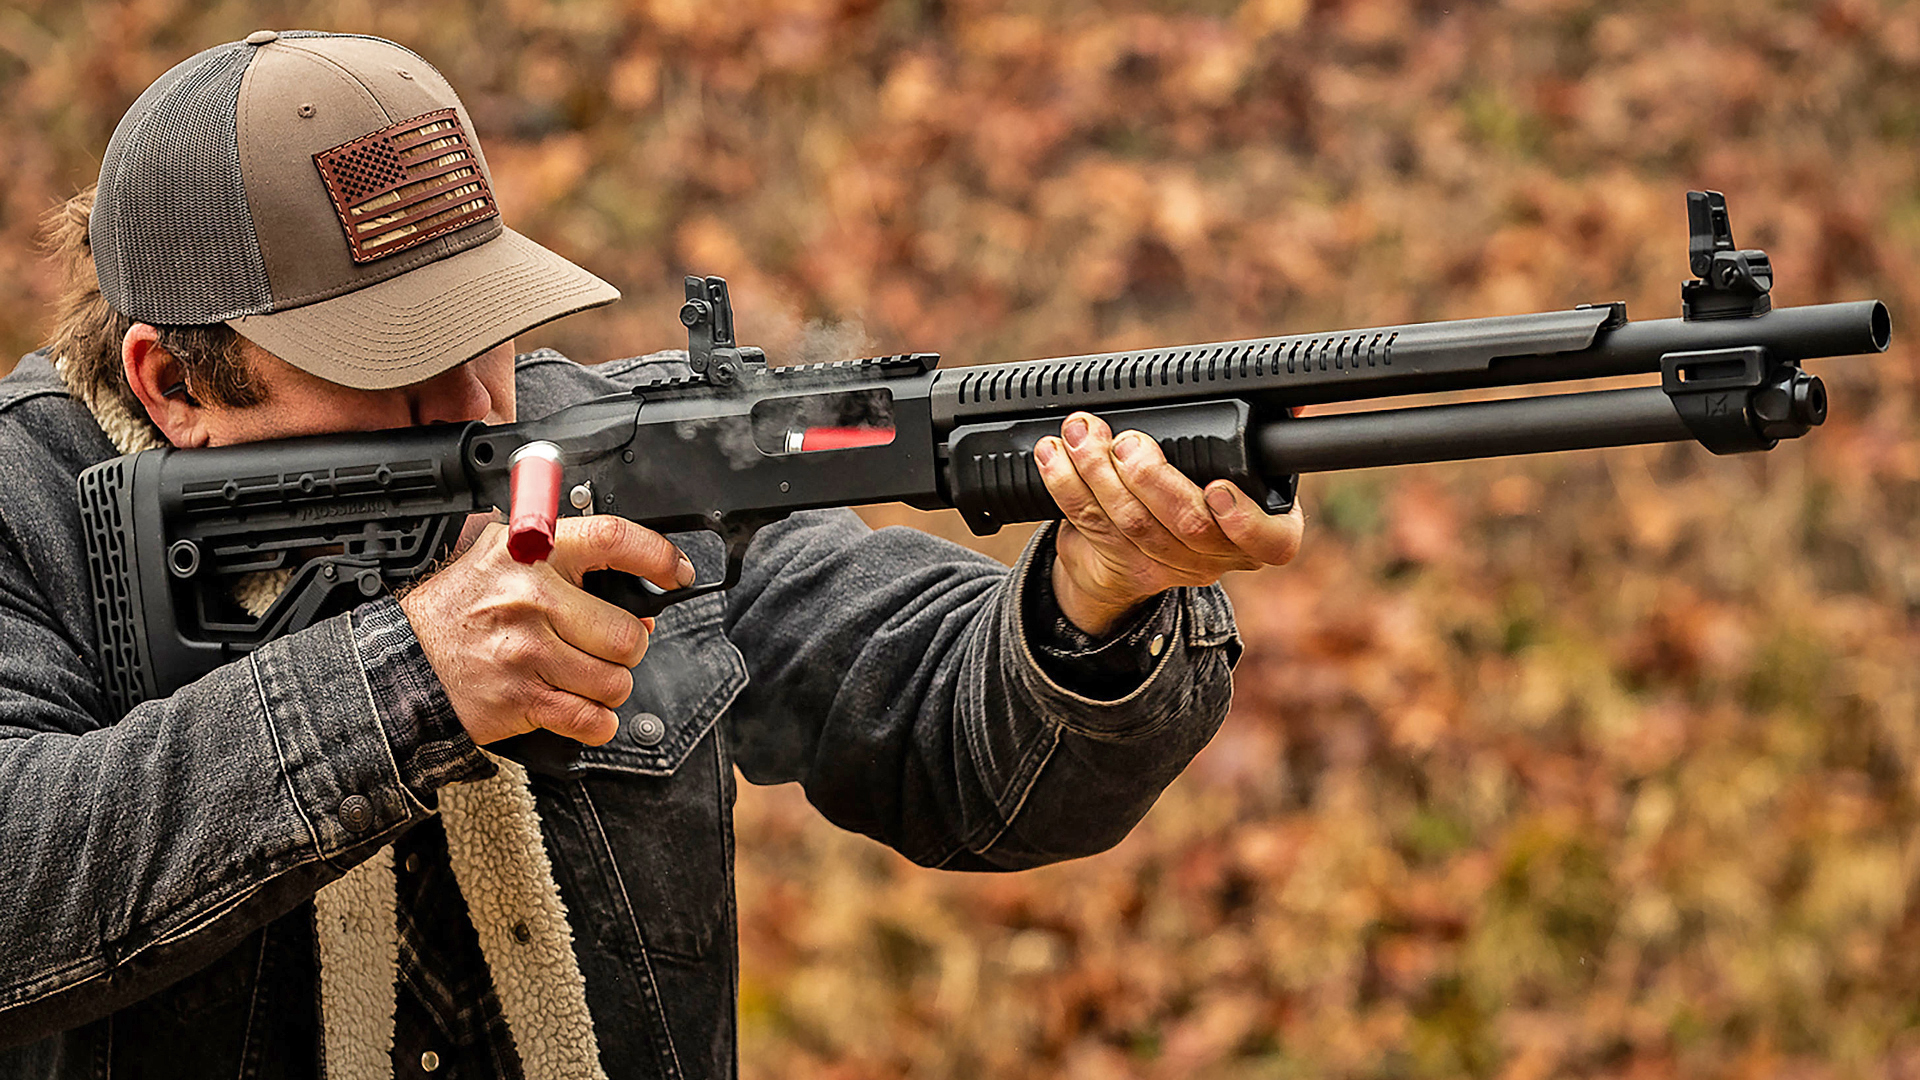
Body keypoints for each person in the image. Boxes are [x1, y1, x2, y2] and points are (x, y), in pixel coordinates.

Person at [0, 31, 1303, 1079]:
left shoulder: (604, 453)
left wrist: (1095, 598)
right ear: (174, 381)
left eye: (486, 333)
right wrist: (406, 684)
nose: (476, 411)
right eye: (390, 369)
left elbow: (944, 733)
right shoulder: (33, 519)